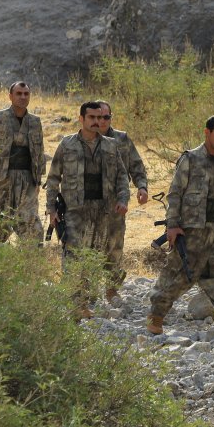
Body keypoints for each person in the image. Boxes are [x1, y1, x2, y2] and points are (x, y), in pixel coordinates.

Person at [147, 115, 214, 335]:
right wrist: (172, 225)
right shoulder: (190, 159)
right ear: (207, 133)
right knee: (179, 274)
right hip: (194, 229)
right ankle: (156, 316)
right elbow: (175, 193)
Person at [44, 101, 129, 317]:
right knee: (73, 255)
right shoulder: (67, 145)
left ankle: (85, 302)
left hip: (102, 212)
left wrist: (123, 199)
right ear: (81, 119)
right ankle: (75, 304)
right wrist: (51, 209)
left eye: (100, 118)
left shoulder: (111, 146)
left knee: (94, 254)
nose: (97, 122)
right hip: (75, 212)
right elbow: (53, 177)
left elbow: (121, 176)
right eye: (91, 118)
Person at [0, 81, 45, 242]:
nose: (23, 97)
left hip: (27, 182)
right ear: (10, 96)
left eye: (26, 94)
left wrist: (38, 181)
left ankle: (31, 264)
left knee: (32, 229)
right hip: (0, 180)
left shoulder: (35, 122)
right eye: (19, 93)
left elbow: (39, 152)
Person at [97, 100, 150, 302]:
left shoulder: (122, 139)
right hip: (87, 204)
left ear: (111, 117)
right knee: (87, 244)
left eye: (106, 117)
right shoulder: (82, 139)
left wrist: (142, 187)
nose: (101, 121)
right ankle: (85, 289)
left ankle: (111, 289)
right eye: (97, 116)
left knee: (115, 244)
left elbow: (136, 166)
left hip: (116, 202)